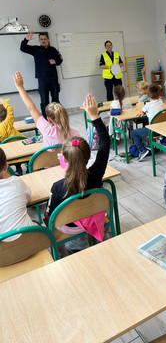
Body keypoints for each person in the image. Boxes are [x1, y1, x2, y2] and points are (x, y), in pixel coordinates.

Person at [45, 93, 110, 245]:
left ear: (65, 159)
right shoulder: (97, 173)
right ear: (88, 156)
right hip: (93, 216)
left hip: (70, 228)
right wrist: (94, 115)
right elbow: (105, 142)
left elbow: (50, 216)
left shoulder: (58, 187)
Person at [13, 72, 79, 147]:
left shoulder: (47, 130)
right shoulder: (75, 134)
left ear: (49, 119)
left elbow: (31, 108)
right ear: (65, 116)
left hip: (51, 158)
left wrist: (20, 87)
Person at [20, 31, 63, 118]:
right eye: (41, 39)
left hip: (53, 79)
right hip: (42, 80)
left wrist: (56, 62)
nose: (43, 41)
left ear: (48, 40)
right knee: (44, 101)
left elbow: (60, 59)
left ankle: (57, 118)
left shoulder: (53, 50)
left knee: (56, 100)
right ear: (39, 41)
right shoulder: (35, 49)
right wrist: (26, 40)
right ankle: (46, 119)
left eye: (45, 39)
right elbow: (23, 48)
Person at [0, 147, 33, 241]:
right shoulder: (16, 182)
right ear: (6, 166)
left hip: (5, 252)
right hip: (31, 242)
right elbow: (28, 197)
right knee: (35, 224)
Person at [131, 84, 164, 162]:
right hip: (163, 129)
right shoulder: (161, 101)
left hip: (154, 131)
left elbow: (142, 111)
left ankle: (142, 150)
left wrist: (142, 112)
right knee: (147, 123)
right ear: (159, 95)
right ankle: (150, 145)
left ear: (147, 95)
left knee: (134, 133)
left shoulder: (148, 105)